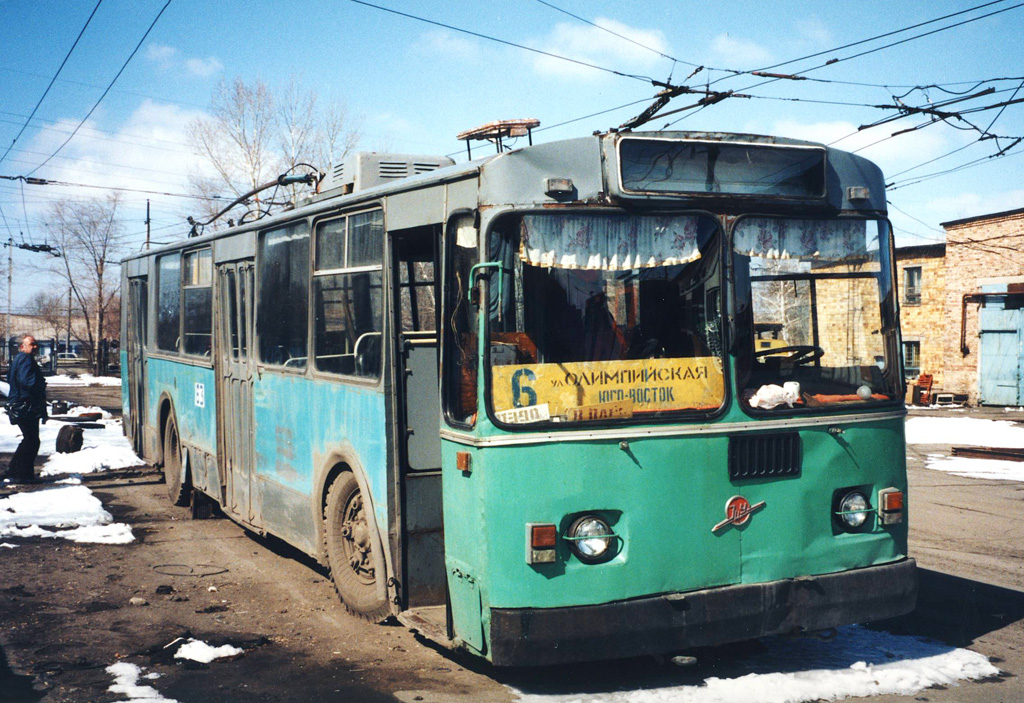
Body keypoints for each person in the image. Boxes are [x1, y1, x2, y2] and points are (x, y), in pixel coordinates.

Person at [2, 335, 48, 483]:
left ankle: (14, 470)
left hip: (21, 404)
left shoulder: (19, 359)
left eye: (36, 344)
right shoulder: (25, 359)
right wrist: (40, 385)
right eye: (32, 344)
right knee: (32, 440)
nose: (35, 347)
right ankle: (23, 475)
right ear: (23, 347)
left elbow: (13, 379)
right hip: (26, 405)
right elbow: (27, 381)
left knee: (29, 439)